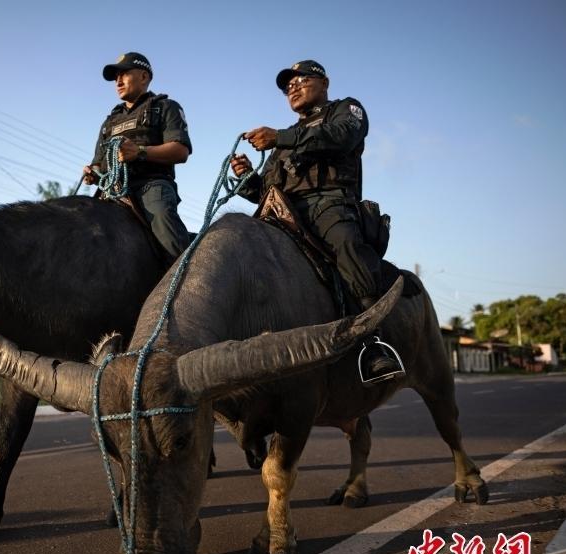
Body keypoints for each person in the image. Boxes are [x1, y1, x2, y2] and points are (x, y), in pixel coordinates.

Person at [230, 59, 404, 384]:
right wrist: (246, 177)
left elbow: (342, 137)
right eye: (287, 86)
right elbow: (264, 193)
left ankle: (372, 341)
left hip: (330, 203)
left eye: (301, 79)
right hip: (283, 214)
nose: (292, 87)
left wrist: (281, 137)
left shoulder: (345, 110)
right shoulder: (282, 143)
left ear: (324, 83)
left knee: (344, 242)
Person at [83, 52, 192, 261]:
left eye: (123, 74)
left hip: (151, 185)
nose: (118, 81)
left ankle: (186, 278)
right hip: (111, 191)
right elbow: (98, 164)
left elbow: (181, 151)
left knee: (161, 217)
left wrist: (140, 152)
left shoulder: (165, 107)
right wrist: (92, 173)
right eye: (115, 77)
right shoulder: (109, 121)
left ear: (144, 77)